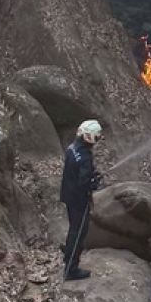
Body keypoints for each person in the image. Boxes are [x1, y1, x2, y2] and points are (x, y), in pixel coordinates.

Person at [59, 119, 104, 280]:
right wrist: (94, 182)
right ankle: (71, 269)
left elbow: (75, 172)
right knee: (79, 232)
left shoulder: (73, 147)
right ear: (90, 136)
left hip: (68, 195)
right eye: (96, 137)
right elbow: (84, 183)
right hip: (79, 200)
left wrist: (91, 176)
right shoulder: (85, 155)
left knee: (73, 228)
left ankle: (68, 255)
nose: (97, 141)